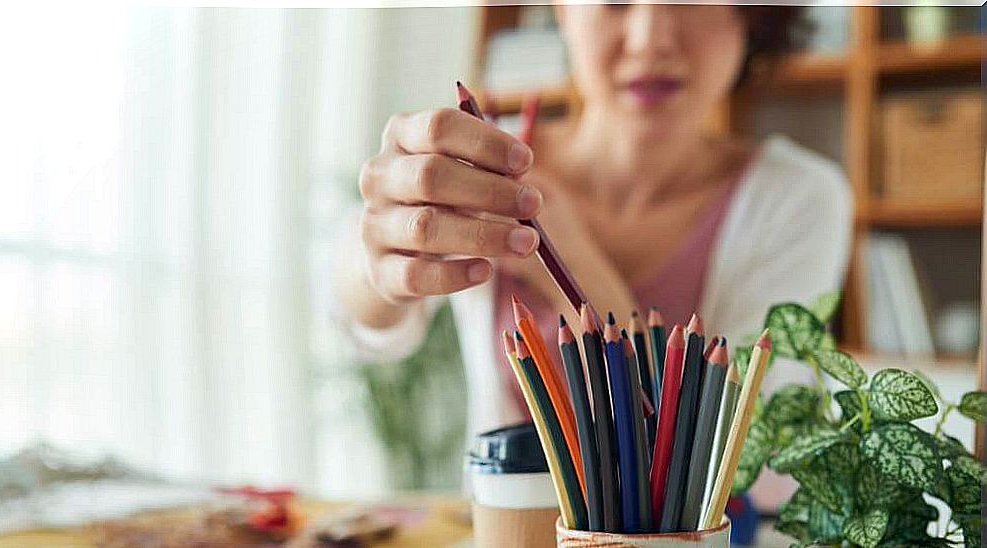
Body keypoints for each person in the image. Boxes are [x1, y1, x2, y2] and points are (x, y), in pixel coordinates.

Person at [334, 4, 852, 440]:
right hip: (509, 544)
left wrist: (564, 256)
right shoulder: (482, 164)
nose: (650, 40)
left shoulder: (799, 197)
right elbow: (361, 320)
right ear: (562, 9)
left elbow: (727, 449)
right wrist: (382, 254)